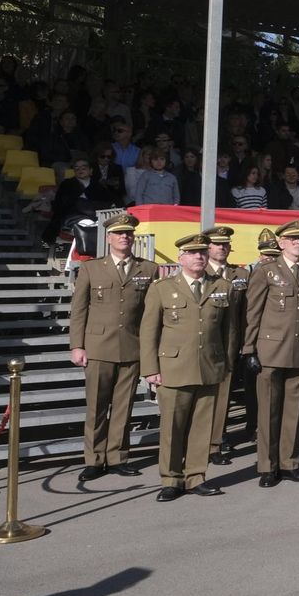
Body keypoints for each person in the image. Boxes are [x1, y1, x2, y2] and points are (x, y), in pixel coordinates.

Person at [138, 232, 232, 502]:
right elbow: (149, 332)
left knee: (202, 427)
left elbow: (228, 331)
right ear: (181, 258)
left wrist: (224, 362)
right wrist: (150, 369)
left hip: (208, 366)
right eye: (193, 253)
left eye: (202, 252)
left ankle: (195, 476)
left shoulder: (222, 286)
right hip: (173, 368)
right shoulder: (162, 288)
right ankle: (171, 479)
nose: (199, 257)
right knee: (173, 428)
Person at [68, 212, 159, 482]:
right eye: (119, 233)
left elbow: (150, 314)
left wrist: (149, 350)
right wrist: (77, 346)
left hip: (131, 346)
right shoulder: (91, 268)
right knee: (96, 407)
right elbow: (79, 310)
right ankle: (94, 459)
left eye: (129, 233)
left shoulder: (149, 269)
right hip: (98, 346)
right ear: (109, 238)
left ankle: (118, 456)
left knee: (123, 407)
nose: (125, 237)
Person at [242, 219, 299, 487]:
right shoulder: (266, 270)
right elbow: (253, 312)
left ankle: (289, 462)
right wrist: (249, 348)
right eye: (294, 239)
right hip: (270, 350)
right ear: (282, 243)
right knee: (269, 412)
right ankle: (267, 466)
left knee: (294, 412)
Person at [201, 226, 250, 465]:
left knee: (223, 396)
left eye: (226, 244)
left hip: (231, 343)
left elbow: (248, 312)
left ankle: (215, 443)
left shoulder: (241, 274)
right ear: (207, 247)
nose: (222, 247)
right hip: (202, 344)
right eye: (217, 243)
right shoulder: (199, 271)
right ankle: (200, 441)